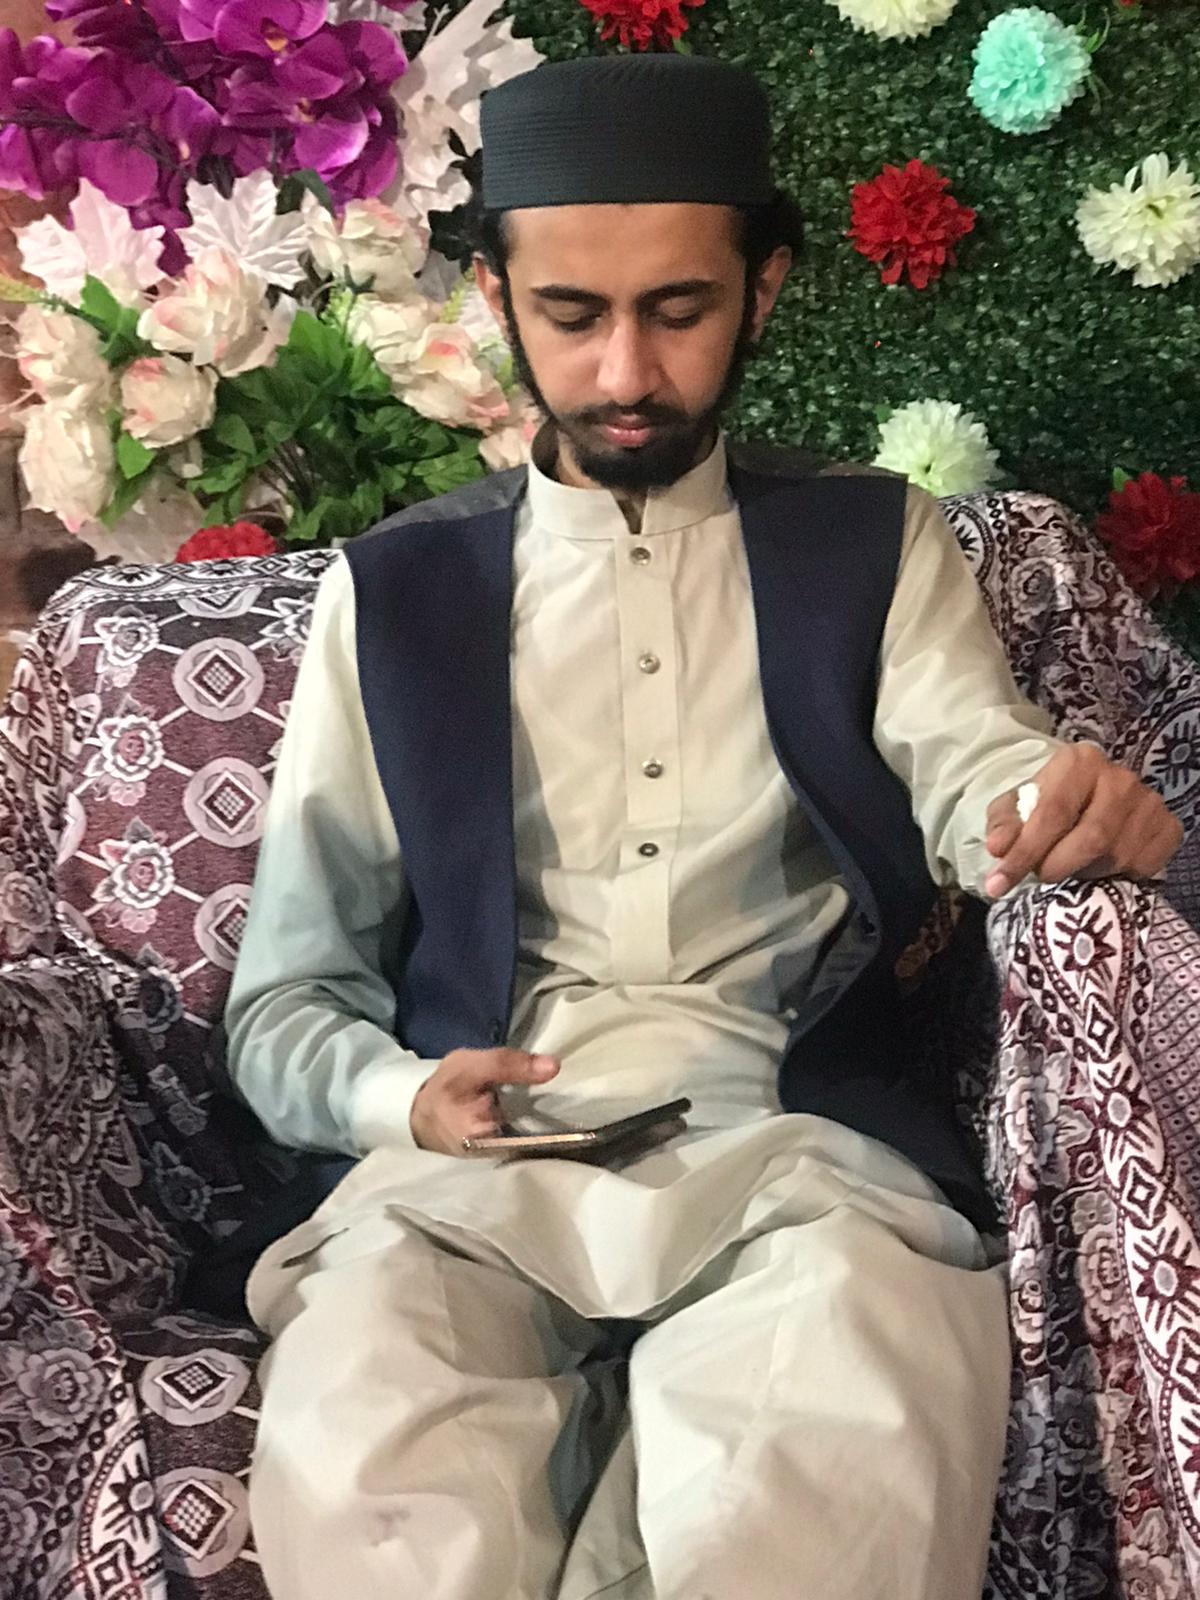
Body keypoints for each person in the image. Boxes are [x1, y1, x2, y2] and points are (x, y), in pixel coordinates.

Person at [223, 52, 1182, 1600]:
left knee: (816, 1489)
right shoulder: (393, 597)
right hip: (461, 1178)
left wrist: (1054, 808)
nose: (624, 373)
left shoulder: (874, 545)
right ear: (497, 300)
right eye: (571, 315)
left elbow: (975, 769)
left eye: (677, 310)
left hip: (800, 1155)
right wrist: (406, 1100)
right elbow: (282, 1001)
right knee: (372, 1467)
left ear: (763, 288)